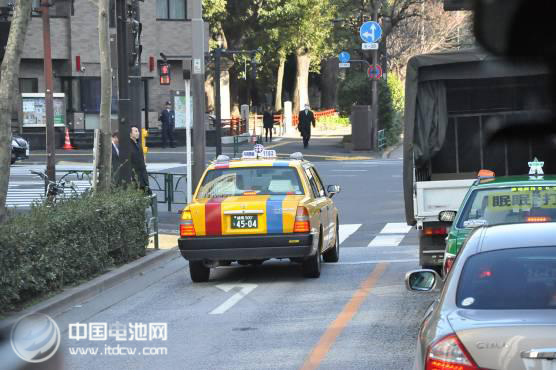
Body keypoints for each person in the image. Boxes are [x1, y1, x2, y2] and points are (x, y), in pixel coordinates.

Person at [130, 126, 150, 193]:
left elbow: (142, 160)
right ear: (130, 134)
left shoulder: (138, 144)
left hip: (143, 177)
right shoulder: (128, 145)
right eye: (135, 131)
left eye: (138, 131)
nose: (138, 133)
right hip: (135, 177)